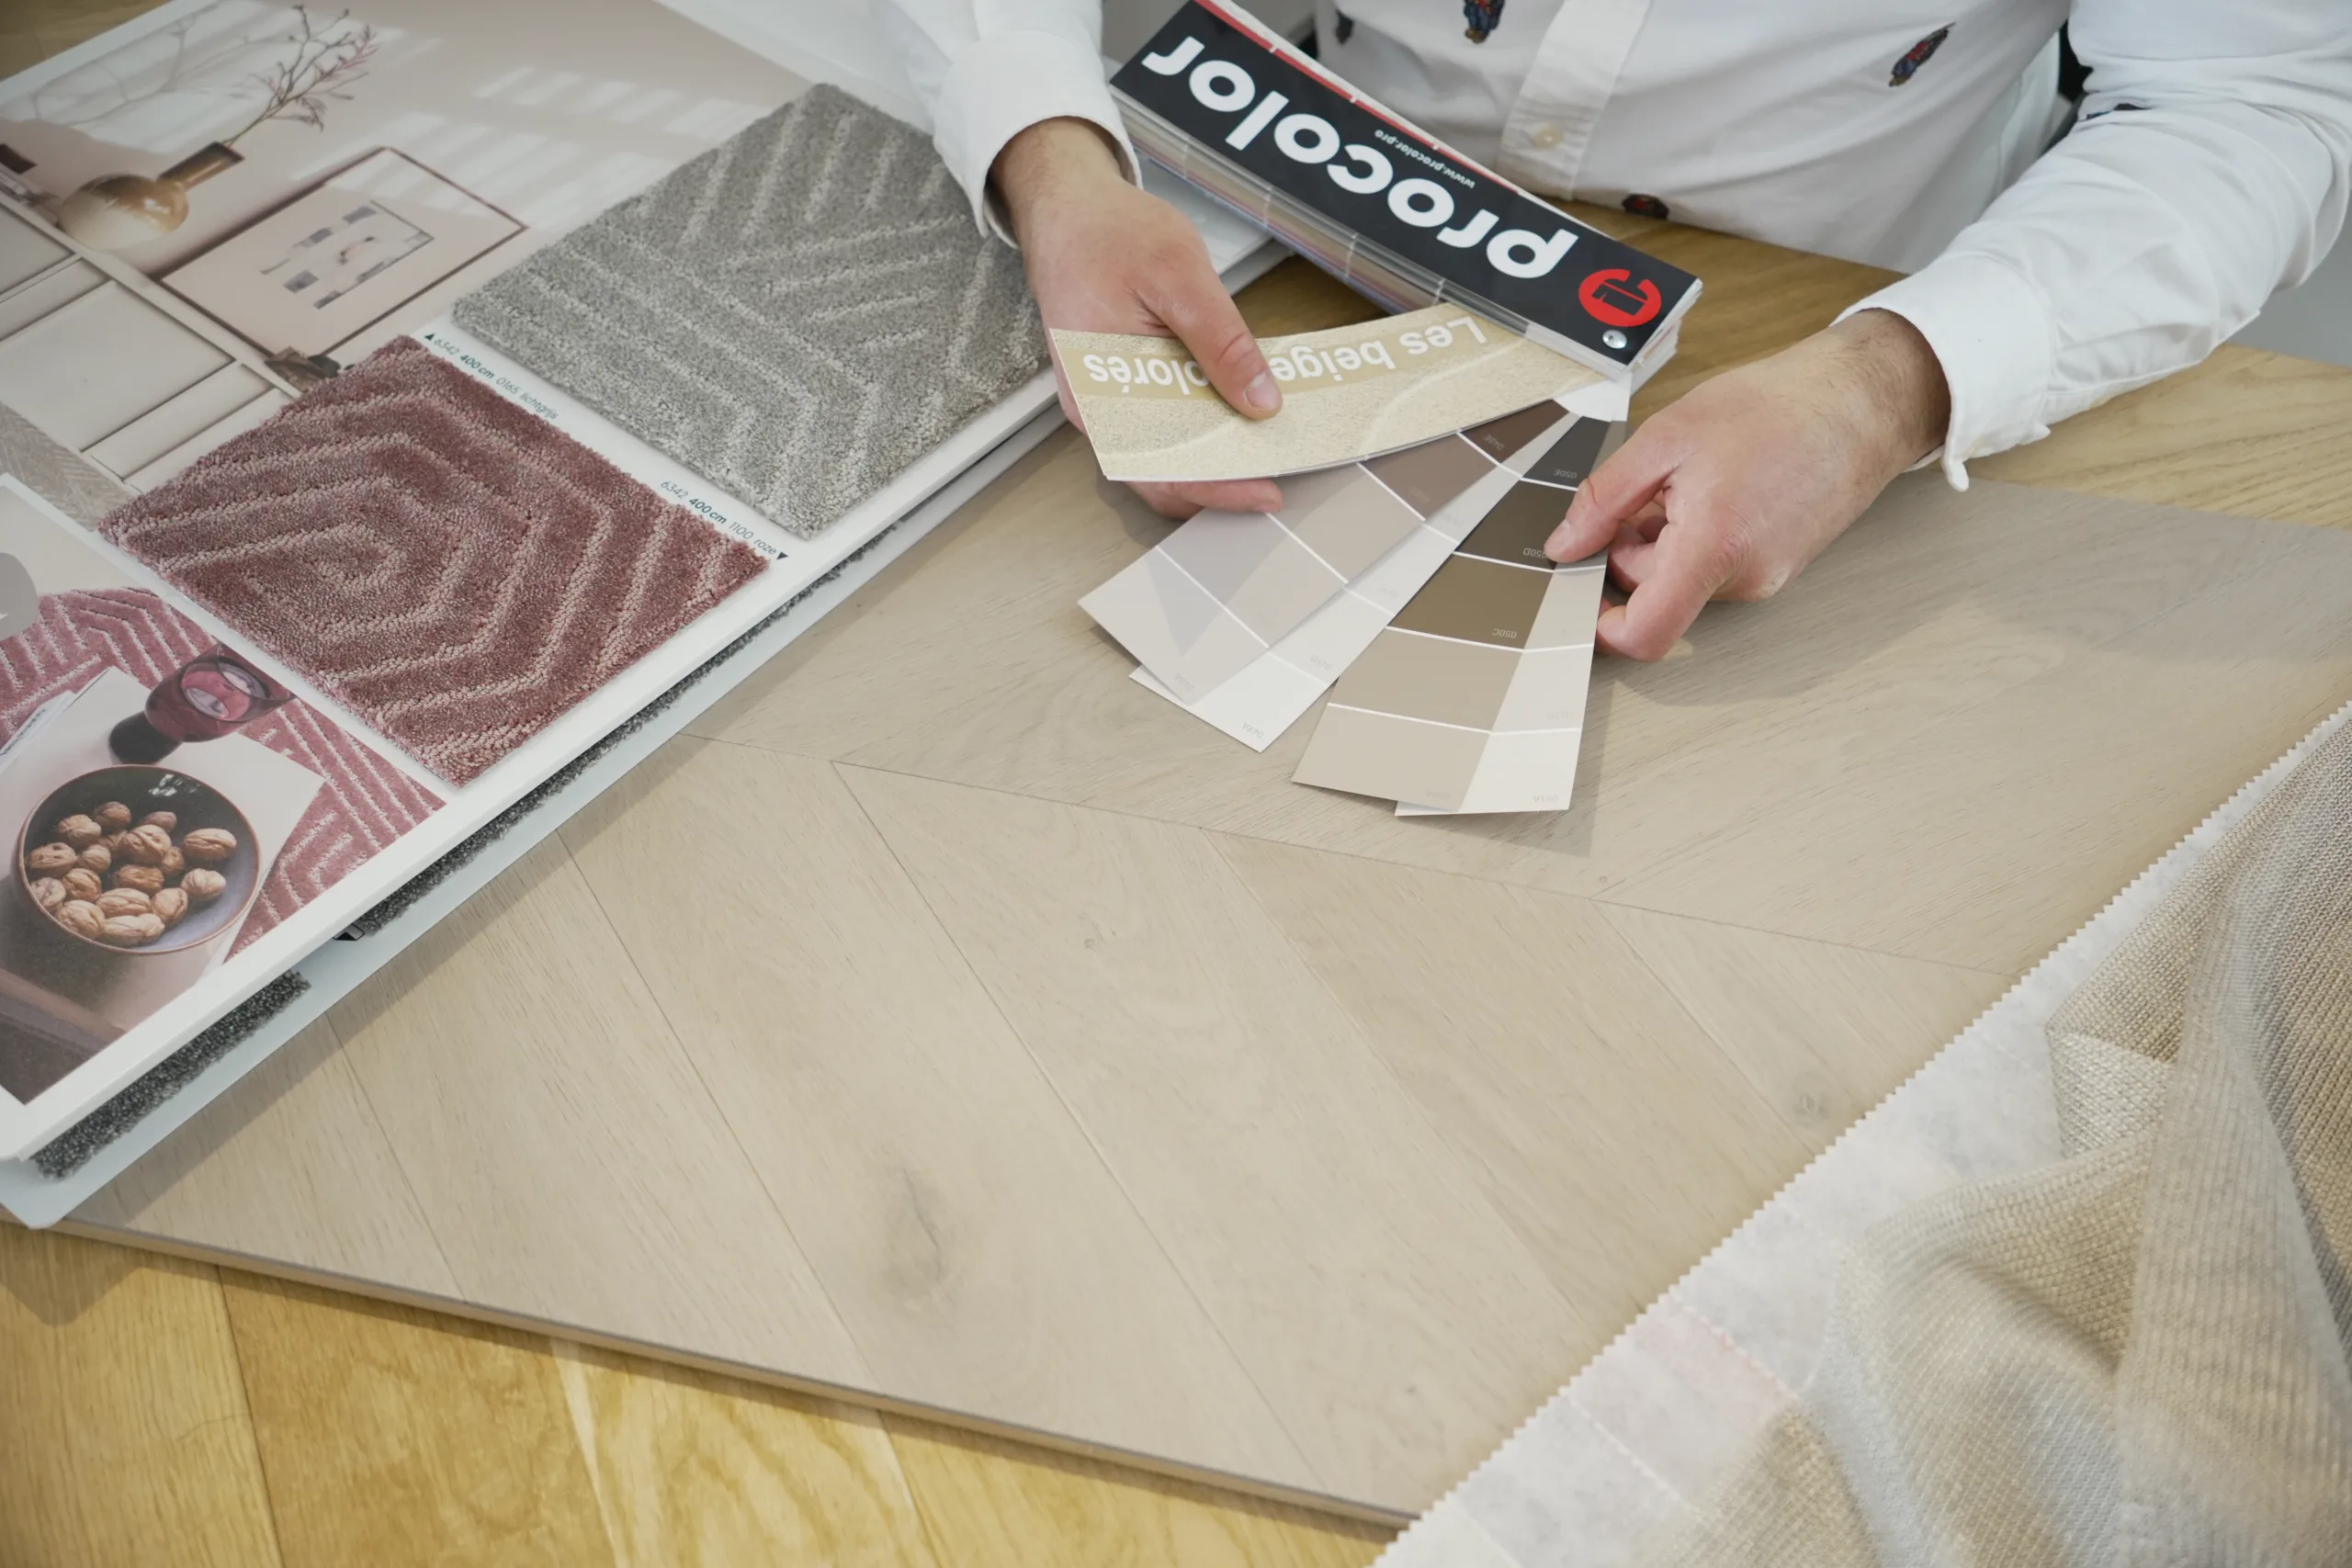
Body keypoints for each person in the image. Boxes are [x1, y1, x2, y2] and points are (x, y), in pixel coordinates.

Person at [884, 0, 2350, 659]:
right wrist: (1047, 153)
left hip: (1814, 359)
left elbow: (2252, 106)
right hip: (1270, 227)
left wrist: (1889, 387)